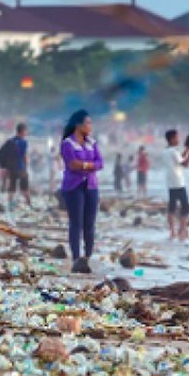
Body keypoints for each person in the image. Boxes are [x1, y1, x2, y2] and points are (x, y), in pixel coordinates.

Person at [60, 109, 103, 274]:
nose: (90, 126)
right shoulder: (68, 143)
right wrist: (89, 165)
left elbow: (100, 163)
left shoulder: (92, 142)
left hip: (91, 186)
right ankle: (76, 258)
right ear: (78, 125)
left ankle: (88, 256)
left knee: (89, 224)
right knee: (76, 223)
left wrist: (84, 165)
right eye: (88, 123)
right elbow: (72, 164)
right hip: (73, 186)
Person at [163, 129, 189, 241]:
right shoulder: (173, 151)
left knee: (171, 208)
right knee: (185, 207)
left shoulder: (166, 151)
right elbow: (185, 164)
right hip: (179, 182)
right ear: (172, 139)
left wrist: (186, 151)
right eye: (177, 137)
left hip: (170, 182)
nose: (178, 139)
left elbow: (179, 160)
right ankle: (183, 231)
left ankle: (172, 232)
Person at [0, 123, 32, 207]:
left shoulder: (10, 141)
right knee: (25, 187)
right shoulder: (23, 142)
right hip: (20, 167)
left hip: (11, 168)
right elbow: (24, 155)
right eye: (25, 131)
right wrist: (27, 163)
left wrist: (4, 166)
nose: (26, 132)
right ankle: (29, 204)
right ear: (22, 131)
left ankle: (9, 204)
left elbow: (0, 152)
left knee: (12, 187)